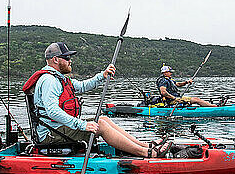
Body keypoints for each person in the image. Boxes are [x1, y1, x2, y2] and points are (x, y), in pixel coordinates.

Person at [23, 42, 171, 158]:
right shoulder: (49, 80)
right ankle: (146, 153)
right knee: (100, 124)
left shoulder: (60, 79)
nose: (70, 61)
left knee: (103, 119)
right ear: (55, 59)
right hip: (51, 135)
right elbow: (52, 111)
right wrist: (82, 125)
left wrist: (103, 75)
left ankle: (144, 145)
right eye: (67, 58)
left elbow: (82, 86)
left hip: (59, 129)